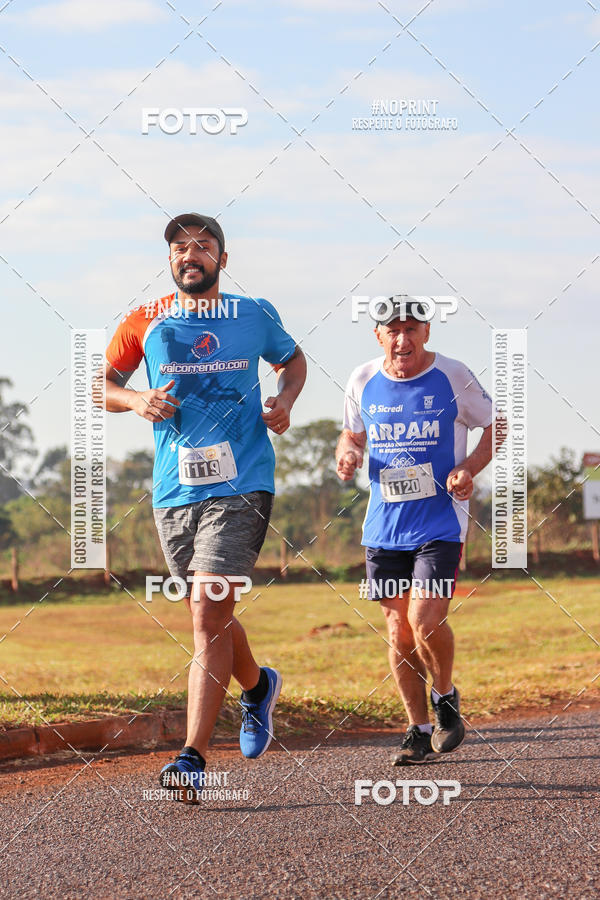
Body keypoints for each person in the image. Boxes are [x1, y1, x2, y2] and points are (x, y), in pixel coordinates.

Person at [100, 213, 306, 800]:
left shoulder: (253, 314)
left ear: (222, 257)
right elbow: (101, 384)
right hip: (173, 489)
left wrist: (284, 400)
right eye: (180, 248)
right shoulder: (145, 318)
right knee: (209, 611)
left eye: (204, 246)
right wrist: (135, 398)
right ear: (169, 260)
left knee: (206, 615)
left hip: (242, 482)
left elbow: (293, 360)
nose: (191, 255)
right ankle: (258, 685)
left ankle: (191, 756)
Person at [336, 297, 495, 765]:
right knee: (398, 632)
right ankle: (417, 730)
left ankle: (444, 696)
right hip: (383, 527)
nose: (402, 340)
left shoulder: (453, 375)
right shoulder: (362, 379)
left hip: (441, 522)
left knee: (425, 621)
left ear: (427, 332)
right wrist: (347, 454)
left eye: (411, 330)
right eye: (393, 331)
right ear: (378, 335)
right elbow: (351, 434)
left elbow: (495, 425)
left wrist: (468, 468)